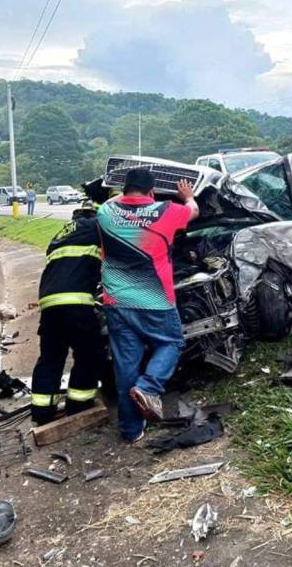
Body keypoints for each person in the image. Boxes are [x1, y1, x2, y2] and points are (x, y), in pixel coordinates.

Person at [97, 169, 199, 442]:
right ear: (152, 192)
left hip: (117, 302)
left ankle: (131, 431)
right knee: (172, 342)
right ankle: (149, 387)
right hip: (155, 300)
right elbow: (194, 210)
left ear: (125, 190)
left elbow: (111, 202)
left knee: (125, 365)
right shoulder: (166, 210)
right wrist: (187, 196)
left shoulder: (106, 213)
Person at [30, 205, 108, 426]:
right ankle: (79, 404)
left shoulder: (57, 238)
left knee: (50, 357)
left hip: (48, 303)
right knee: (89, 354)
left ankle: (41, 411)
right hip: (76, 301)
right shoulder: (94, 227)